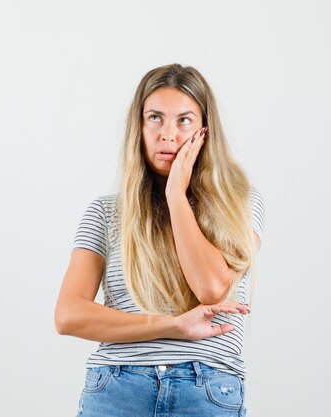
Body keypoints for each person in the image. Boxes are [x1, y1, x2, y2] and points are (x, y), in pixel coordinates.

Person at [54, 63, 265, 417]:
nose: (168, 134)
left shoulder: (239, 202)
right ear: (138, 126)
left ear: (204, 131)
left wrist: (176, 196)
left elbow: (211, 288)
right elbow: (68, 315)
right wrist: (173, 325)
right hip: (118, 386)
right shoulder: (106, 213)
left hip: (206, 388)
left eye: (183, 120)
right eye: (155, 118)